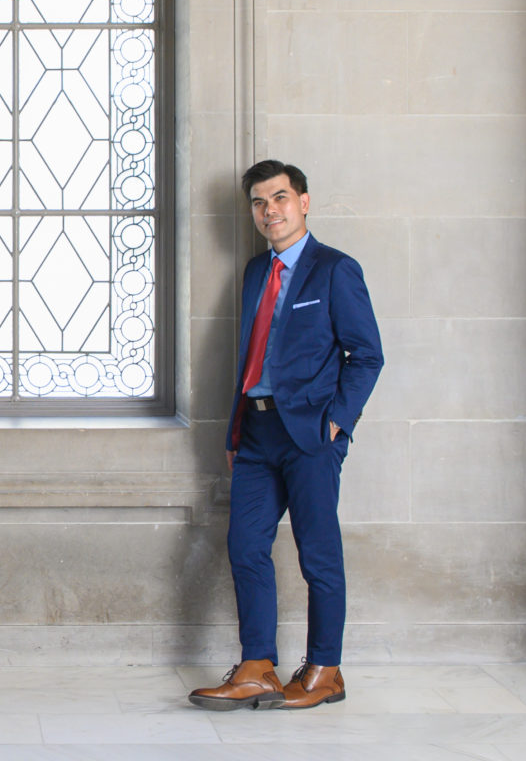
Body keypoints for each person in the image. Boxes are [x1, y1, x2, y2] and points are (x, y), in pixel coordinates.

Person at [189, 160, 383, 711]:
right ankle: (258, 668)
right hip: (254, 431)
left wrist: (336, 420)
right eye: (258, 202)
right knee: (246, 546)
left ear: (304, 202)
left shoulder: (335, 270)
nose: (269, 210)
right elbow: (251, 357)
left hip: (310, 436)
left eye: (279, 198)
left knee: (317, 554)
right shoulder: (255, 271)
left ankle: (325, 670)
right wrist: (234, 430)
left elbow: (367, 355)